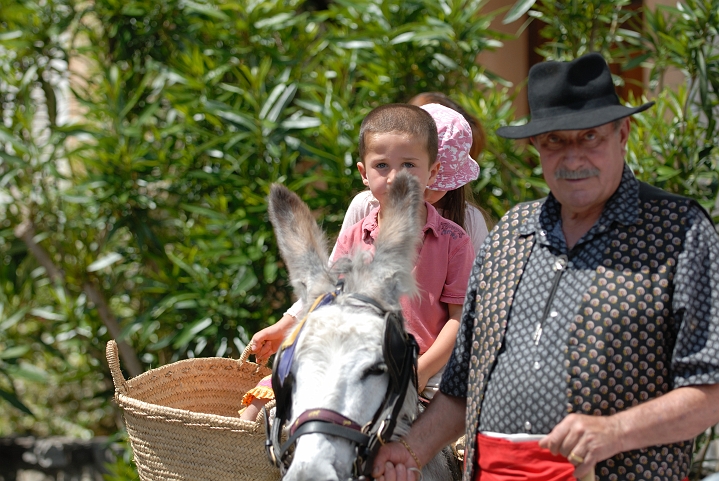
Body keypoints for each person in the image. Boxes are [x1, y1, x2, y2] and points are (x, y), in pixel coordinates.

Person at [371, 52, 719, 481]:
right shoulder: (512, 234)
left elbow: (711, 389)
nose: (573, 158)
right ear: (536, 145)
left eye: (589, 137)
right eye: (555, 141)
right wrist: (409, 451)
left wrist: (615, 431)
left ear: (622, 134)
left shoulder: (679, 231)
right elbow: (462, 386)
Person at [241, 103, 476, 420]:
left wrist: (419, 372)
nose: (395, 178)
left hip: (421, 369)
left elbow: (459, 320)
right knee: (258, 408)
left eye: (409, 165)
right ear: (364, 174)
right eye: (382, 166)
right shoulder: (355, 235)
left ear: (432, 172)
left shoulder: (454, 240)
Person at [340, 93, 491, 255]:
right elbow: (338, 265)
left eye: (437, 185)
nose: (423, 189)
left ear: (433, 172)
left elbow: (479, 271)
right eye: (382, 165)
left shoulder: (470, 220)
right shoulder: (365, 206)